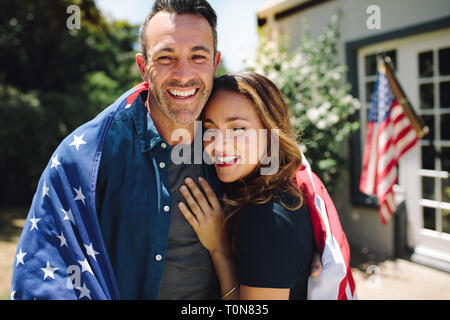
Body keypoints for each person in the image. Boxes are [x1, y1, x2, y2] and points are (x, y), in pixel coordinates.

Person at [11, 0, 323, 300]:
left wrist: (305, 246)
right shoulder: (90, 154)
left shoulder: (227, 145)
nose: (184, 74)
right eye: (165, 57)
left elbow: (280, 182)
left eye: (198, 56)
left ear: (215, 62)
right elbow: (46, 265)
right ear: (143, 66)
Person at [178, 72, 357, 300]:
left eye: (238, 129)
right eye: (210, 129)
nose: (219, 145)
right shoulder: (284, 189)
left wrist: (219, 250)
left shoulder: (265, 217)